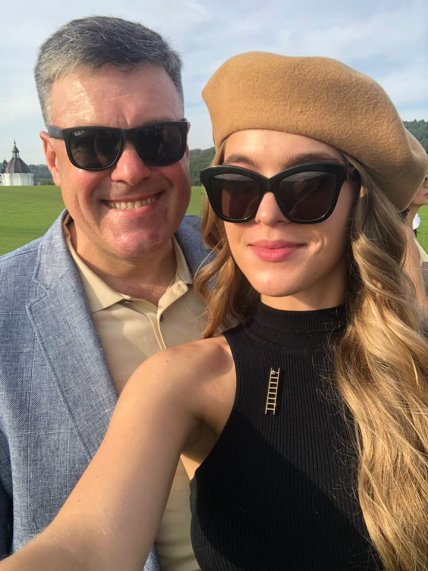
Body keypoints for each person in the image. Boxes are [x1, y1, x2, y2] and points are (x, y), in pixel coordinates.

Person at [1, 52, 428, 571]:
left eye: (307, 186)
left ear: (358, 199)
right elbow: (86, 544)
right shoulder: (183, 381)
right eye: (239, 188)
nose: (267, 214)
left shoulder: (414, 362)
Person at [0, 16, 210, 571]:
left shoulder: (251, 268)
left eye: (158, 139)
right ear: (52, 158)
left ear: (185, 145)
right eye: (93, 145)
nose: (132, 171)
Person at [401, 174, 428, 317]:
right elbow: (420, 306)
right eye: (421, 179)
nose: (427, 185)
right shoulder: (403, 236)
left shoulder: (408, 229)